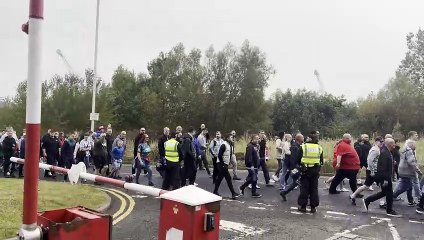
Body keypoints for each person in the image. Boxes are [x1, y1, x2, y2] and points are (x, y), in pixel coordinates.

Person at [363, 138, 401, 217]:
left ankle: (367, 200)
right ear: (388, 144)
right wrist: (386, 180)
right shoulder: (384, 153)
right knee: (389, 193)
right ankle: (389, 210)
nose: (394, 144)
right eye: (393, 143)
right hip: (385, 177)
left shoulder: (388, 152)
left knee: (384, 193)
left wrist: (392, 163)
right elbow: (382, 168)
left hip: (386, 177)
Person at [349, 137, 384, 205]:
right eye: (380, 142)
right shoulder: (375, 150)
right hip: (373, 171)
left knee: (372, 186)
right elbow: (369, 160)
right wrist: (373, 171)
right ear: (376, 141)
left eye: (383, 142)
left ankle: (353, 195)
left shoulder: (377, 149)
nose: (382, 143)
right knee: (370, 186)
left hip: (374, 170)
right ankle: (382, 203)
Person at [297, 134, 323, 213]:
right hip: (315, 170)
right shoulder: (319, 148)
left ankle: (303, 206)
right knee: (314, 188)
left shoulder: (303, 147)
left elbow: (298, 159)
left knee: (304, 188)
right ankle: (313, 207)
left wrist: (301, 167)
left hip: (305, 170)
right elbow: (321, 160)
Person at [391, 140, 422, 206]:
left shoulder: (404, 150)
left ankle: (410, 201)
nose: (416, 146)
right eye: (415, 145)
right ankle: (393, 196)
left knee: (408, 186)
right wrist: (418, 171)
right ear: (412, 145)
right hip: (407, 172)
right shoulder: (409, 151)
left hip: (402, 170)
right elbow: (411, 162)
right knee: (405, 187)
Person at [213, 133, 241, 199]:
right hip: (221, 164)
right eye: (231, 137)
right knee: (228, 178)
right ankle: (233, 193)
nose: (232, 139)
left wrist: (229, 163)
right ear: (228, 138)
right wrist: (223, 164)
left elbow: (229, 155)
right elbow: (219, 155)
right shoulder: (224, 145)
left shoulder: (230, 145)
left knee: (219, 178)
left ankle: (215, 191)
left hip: (225, 164)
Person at [280, 133, 304, 201]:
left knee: (296, 181)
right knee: (294, 180)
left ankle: (284, 192)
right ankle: (284, 191)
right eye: (302, 138)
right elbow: (293, 158)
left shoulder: (297, 146)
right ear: (298, 139)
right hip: (294, 166)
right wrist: (293, 168)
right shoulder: (295, 147)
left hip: (295, 166)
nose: (303, 139)